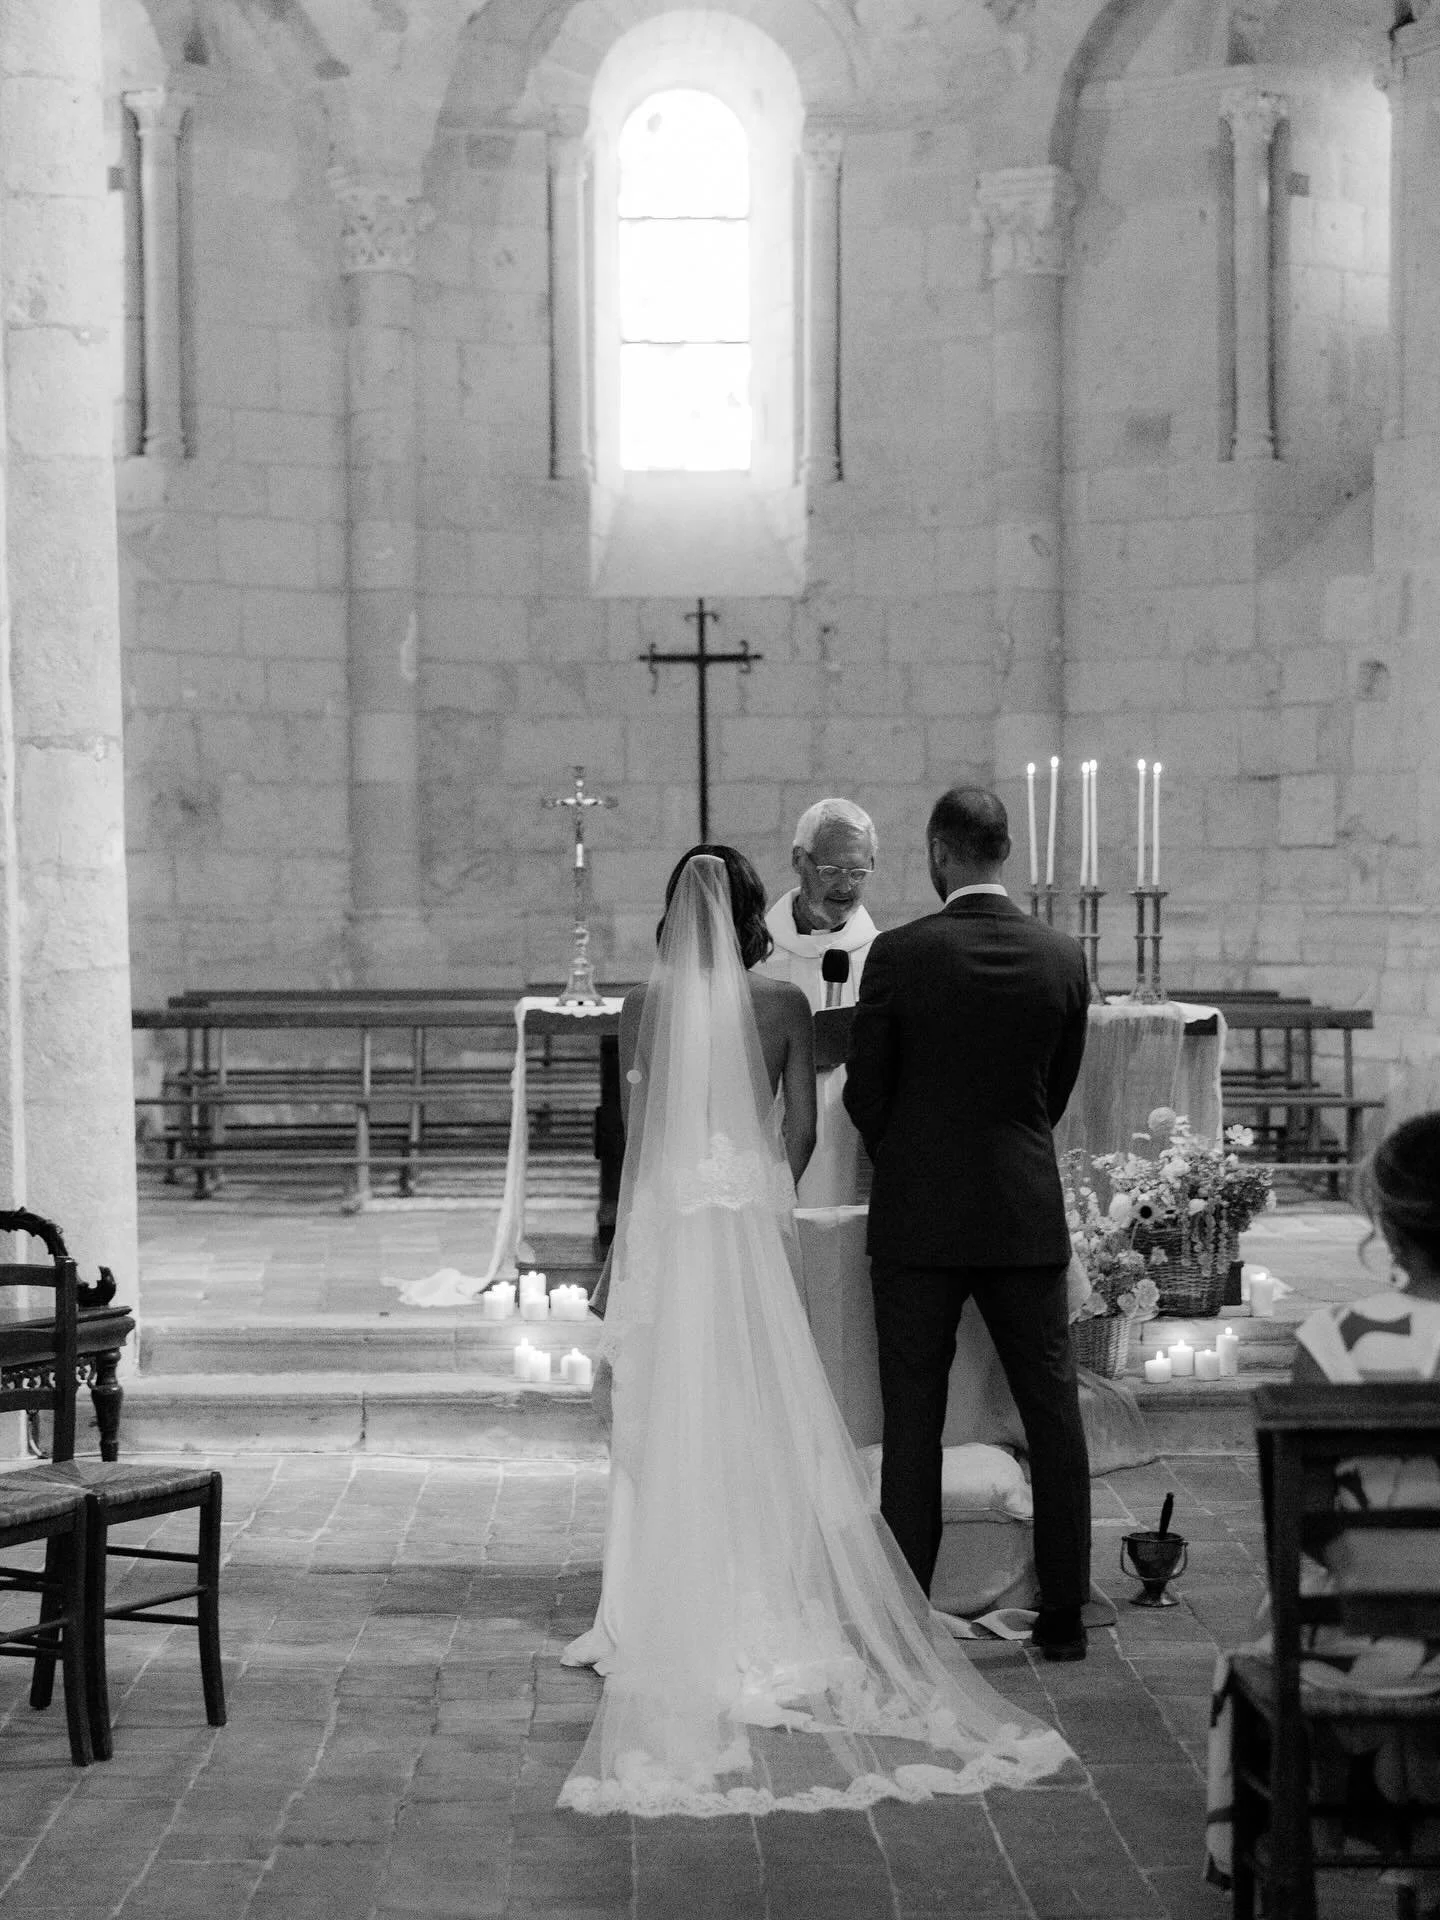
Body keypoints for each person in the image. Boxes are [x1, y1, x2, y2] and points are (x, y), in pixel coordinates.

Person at [559, 845, 1072, 1817]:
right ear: (760, 913)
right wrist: (756, 1196)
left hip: (669, 1226)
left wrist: (623, 1247)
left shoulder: (639, 1008)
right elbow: (800, 1128)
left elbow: (628, 1146)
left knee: (669, 1403)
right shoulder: (781, 1006)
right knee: (754, 1398)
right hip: (742, 1221)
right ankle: (759, 1586)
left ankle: (649, 1605)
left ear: (675, 913)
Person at [843, 786, 1093, 1661]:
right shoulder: (1063, 956)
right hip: (1024, 1212)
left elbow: (865, 1090)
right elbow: (1051, 1095)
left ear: (941, 852)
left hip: (918, 1221)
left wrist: (912, 1154)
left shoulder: (901, 955)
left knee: (914, 1418)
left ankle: (909, 1619)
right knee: (1052, 1415)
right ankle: (1063, 1617)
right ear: (1006, 851)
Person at [1207, 1112, 1440, 1901]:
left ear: (1389, 1221)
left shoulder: (1335, 1339)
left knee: (1281, 1618)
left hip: (1364, 1636)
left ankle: (1364, 1821)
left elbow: (1302, 1523)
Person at [757, 798, 879, 1204]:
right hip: (767, 1128)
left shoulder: (880, 955)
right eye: (831, 871)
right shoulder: (757, 951)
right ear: (798, 859)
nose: (845, 887)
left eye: (858, 872)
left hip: (852, 1134)